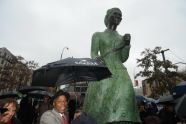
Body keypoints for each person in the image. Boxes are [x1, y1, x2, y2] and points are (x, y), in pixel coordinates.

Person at [83, 8, 141, 124]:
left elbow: (123, 58)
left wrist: (127, 45)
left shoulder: (121, 38)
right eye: (116, 14)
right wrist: (98, 60)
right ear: (108, 16)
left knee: (126, 94)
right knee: (102, 99)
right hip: (104, 70)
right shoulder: (98, 35)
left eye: (120, 16)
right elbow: (93, 53)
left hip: (120, 71)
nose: (119, 17)